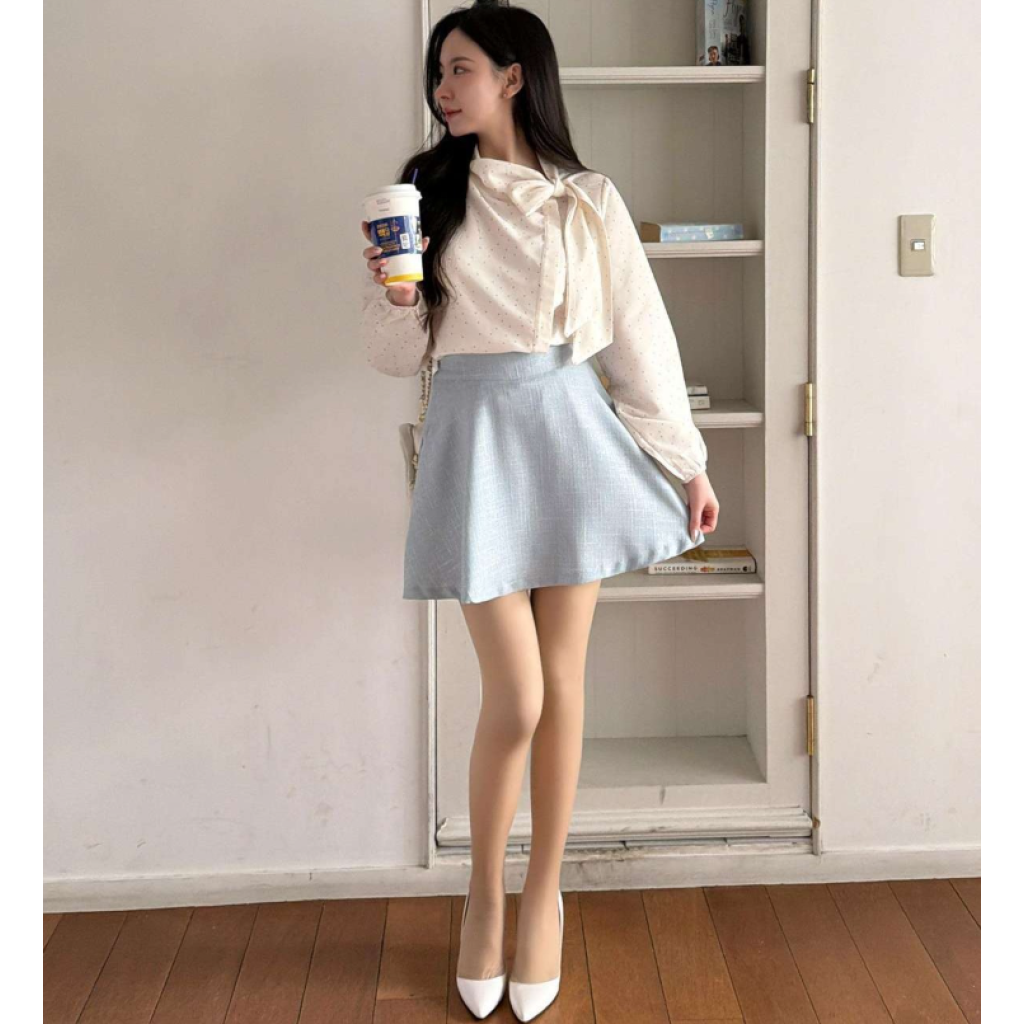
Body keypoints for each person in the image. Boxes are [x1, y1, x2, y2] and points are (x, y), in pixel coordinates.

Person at [359, 2, 720, 1019]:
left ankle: (541, 895)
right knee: (515, 694)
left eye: (460, 68)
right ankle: (482, 893)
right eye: (438, 72)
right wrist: (398, 297)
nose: (443, 89)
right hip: (475, 440)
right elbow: (389, 355)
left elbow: (639, 338)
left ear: (514, 76)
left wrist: (686, 464)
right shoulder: (423, 194)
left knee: (561, 683)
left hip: (572, 435)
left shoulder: (586, 199)